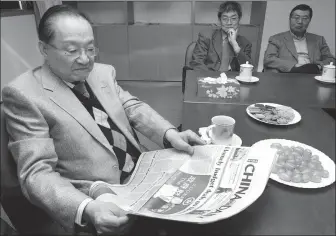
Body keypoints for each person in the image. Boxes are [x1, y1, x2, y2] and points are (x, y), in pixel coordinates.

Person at [1, 5, 205, 235]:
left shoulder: (102, 72)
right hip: (101, 195)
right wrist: (88, 208)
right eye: (71, 50)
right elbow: (36, 173)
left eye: (90, 48)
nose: (85, 59)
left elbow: (131, 106)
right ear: (44, 49)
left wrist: (169, 135)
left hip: (143, 174)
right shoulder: (24, 95)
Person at [263, 4, 335, 74]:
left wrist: (318, 66)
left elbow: (331, 60)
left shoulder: (319, 40)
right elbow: (269, 59)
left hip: (313, 75)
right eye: (296, 17)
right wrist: (295, 67)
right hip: (288, 75)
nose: (300, 22)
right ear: (290, 19)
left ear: (309, 21)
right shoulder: (276, 39)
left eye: (305, 18)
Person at [190, 1, 252, 72]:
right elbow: (197, 62)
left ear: (239, 20)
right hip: (209, 78)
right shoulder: (206, 36)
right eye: (225, 19)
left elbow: (248, 69)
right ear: (220, 20)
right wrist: (210, 79)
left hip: (232, 80)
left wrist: (235, 46)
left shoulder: (245, 43)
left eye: (233, 19)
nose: (229, 23)